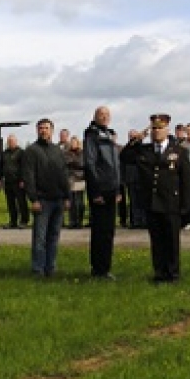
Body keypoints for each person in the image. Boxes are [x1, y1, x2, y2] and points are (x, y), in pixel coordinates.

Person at [128, 114, 190, 282]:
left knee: (171, 240)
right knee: (156, 241)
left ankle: (173, 273)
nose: (157, 131)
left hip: (171, 203)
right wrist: (137, 139)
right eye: (154, 128)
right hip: (152, 202)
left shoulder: (179, 152)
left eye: (160, 128)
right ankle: (159, 272)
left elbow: (187, 180)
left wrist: (186, 206)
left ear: (167, 130)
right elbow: (125, 157)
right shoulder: (144, 150)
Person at [22, 118, 71, 277]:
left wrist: (67, 196)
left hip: (58, 198)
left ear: (52, 131)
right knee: (40, 238)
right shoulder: (31, 151)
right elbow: (28, 176)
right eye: (41, 128)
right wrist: (33, 199)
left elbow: (64, 174)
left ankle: (51, 267)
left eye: (47, 128)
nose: (44, 130)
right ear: (37, 130)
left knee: (54, 236)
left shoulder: (57, 151)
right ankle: (38, 269)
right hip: (42, 200)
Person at [83, 106, 121, 279]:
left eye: (107, 115)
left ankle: (106, 267)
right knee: (99, 231)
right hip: (100, 189)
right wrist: (95, 191)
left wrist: (119, 188)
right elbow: (90, 164)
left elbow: (116, 165)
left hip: (112, 189)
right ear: (95, 117)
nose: (105, 117)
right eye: (101, 115)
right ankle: (98, 269)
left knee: (109, 231)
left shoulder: (110, 135)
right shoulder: (92, 135)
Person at [2, 133, 29, 229]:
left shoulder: (21, 153)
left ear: (16, 142)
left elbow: (25, 167)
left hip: (18, 182)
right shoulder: (5, 153)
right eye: (9, 141)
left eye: (12, 141)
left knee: (21, 202)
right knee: (10, 203)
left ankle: (24, 221)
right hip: (8, 182)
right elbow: (3, 166)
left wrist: (23, 180)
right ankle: (13, 221)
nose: (10, 143)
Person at [65, 135, 86, 229]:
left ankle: (79, 221)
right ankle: (72, 221)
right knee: (71, 202)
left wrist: (73, 163)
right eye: (71, 142)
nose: (73, 144)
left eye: (75, 142)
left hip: (80, 179)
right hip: (70, 179)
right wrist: (74, 163)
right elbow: (66, 162)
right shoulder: (67, 153)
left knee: (79, 202)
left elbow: (81, 164)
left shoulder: (82, 153)